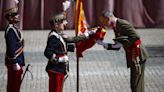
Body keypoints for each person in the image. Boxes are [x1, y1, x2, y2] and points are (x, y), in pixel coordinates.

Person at [97, 10, 149, 92]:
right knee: (134, 84)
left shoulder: (122, 24)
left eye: (104, 21)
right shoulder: (116, 26)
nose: (104, 24)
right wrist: (104, 44)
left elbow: (136, 36)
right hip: (132, 55)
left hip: (138, 55)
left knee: (136, 84)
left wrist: (123, 44)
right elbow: (118, 45)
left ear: (109, 18)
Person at [44, 12, 94, 92]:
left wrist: (86, 36)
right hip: (55, 69)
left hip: (59, 69)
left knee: (58, 89)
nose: (64, 25)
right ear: (56, 25)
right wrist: (60, 59)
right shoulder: (53, 37)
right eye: (62, 23)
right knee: (56, 89)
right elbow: (47, 52)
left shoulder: (58, 34)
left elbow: (66, 43)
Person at [4, 7, 25, 92]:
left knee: (15, 85)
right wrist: (15, 62)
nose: (18, 16)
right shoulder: (10, 31)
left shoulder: (13, 28)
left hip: (16, 61)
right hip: (14, 62)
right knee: (13, 86)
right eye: (16, 14)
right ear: (10, 17)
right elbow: (11, 48)